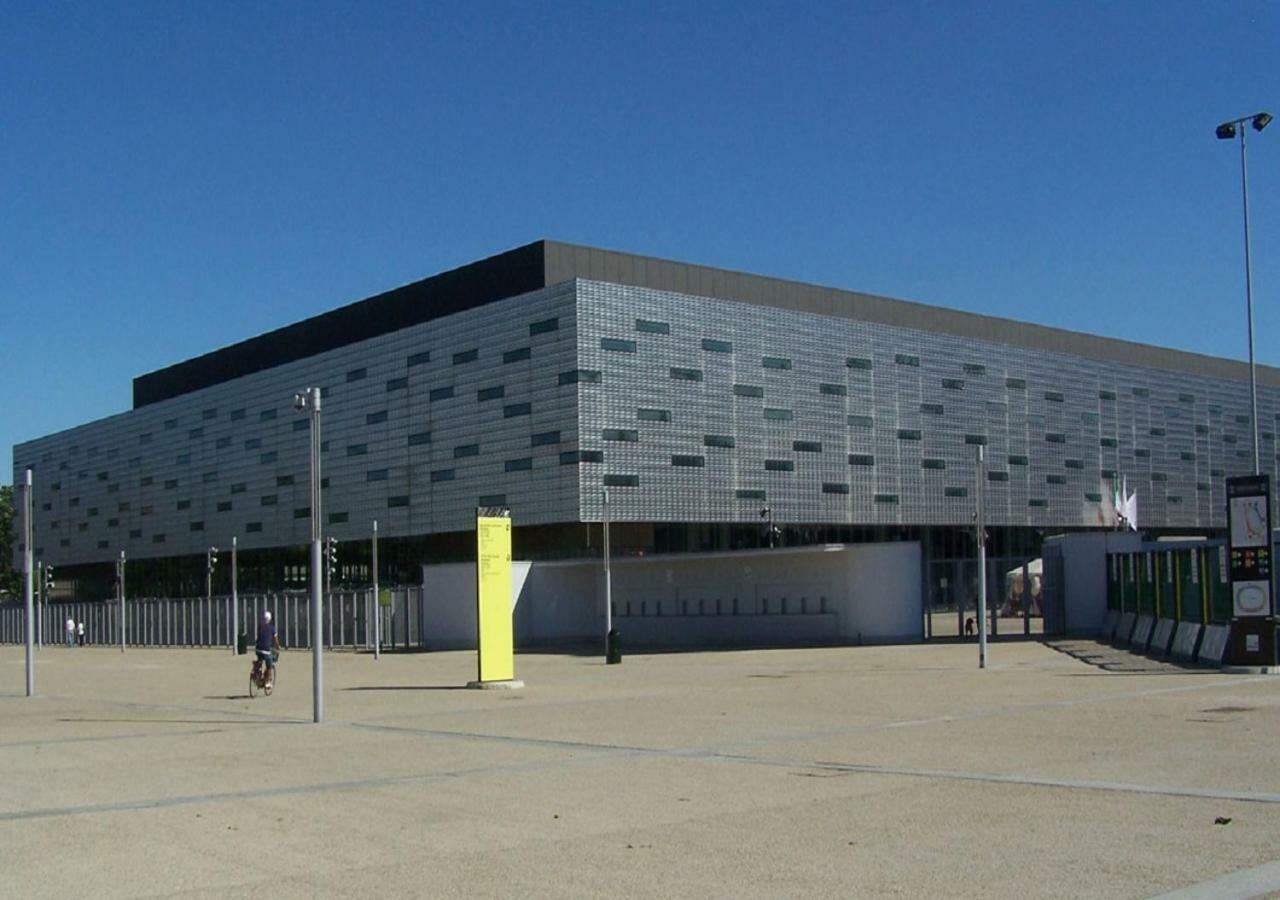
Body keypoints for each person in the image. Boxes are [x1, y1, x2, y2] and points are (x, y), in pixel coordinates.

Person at [255, 610, 280, 690]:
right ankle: (268, 683)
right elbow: (275, 640)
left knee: (260, 659)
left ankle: (257, 674)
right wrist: (277, 647)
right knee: (269, 666)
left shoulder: (259, 627)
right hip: (266, 650)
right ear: (270, 619)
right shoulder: (272, 628)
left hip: (258, 649)